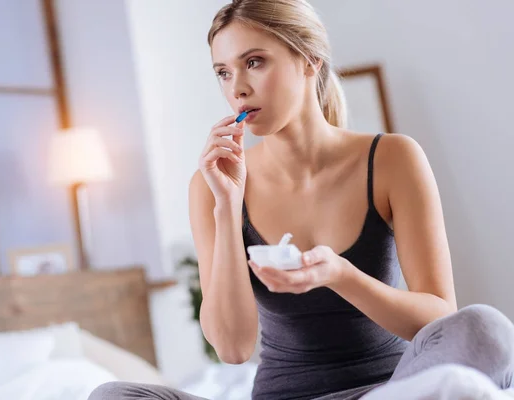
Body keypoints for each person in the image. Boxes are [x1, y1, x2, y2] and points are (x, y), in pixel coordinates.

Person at [89, 0, 514, 399]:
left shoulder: (392, 158)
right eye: (222, 72)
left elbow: (441, 320)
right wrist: (226, 206)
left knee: (486, 330)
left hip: (390, 390)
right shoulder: (210, 186)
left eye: (253, 62)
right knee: (112, 396)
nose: (237, 88)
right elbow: (233, 349)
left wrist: (340, 275)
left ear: (310, 61)